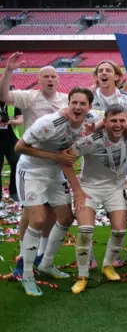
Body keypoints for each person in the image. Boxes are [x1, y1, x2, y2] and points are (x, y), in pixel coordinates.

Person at [13, 87, 96, 296]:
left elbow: (104, 119)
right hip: (31, 172)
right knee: (38, 220)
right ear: (67, 104)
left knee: (66, 217)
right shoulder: (49, 123)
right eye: (73, 103)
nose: (77, 107)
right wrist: (55, 158)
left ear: (89, 107)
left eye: (82, 104)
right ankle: (27, 276)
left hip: (55, 173)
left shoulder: (89, 119)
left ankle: (46, 264)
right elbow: (19, 147)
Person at [0, 53, 70, 277]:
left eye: (53, 76)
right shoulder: (30, 97)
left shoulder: (66, 100)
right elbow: (3, 95)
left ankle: (42, 258)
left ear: (58, 80)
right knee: (32, 215)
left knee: (56, 214)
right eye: (45, 76)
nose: (50, 80)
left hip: (56, 167)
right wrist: (9, 71)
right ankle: (23, 262)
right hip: (32, 164)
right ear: (39, 81)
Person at [69, 104, 127, 294]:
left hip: (115, 188)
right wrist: (77, 190)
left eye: (122, 120)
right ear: (105, 122)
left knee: (120, 231)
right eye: (113, 121)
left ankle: (108, 265)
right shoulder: (91, 140)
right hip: (89, 188)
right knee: (85, 231)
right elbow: (66, 161)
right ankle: (82, 276)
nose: (118, 124)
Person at [0, 98, 22, 201]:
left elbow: (20, 119)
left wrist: (11, 121)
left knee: (17, 163)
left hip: (11, 139)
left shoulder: (13, 103)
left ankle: (14, 191)